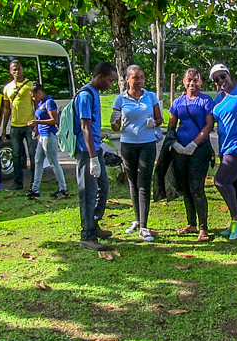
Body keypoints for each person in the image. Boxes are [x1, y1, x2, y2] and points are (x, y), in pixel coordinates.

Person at [111, 65, 162, 242]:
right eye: (135, 78)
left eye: (142, 77)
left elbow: (159, 119)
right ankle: (138, 220)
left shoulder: (150, 96)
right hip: (128, 144)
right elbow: (116, 127)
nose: (139, 81)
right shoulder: (120, 99)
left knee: (144, 183)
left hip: (147, 144)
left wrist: (154, 123)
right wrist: (114, 122)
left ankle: (144, 227)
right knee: (132, 183)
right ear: (127, 79)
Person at [169, 68, 215, 242]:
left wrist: (195, 143)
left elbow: (209, 125)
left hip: (199, 149)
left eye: (195, 80)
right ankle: (191, 223)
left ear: (201, 82)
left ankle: (203, 227)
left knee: (197, 187)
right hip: (180, 150)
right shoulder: (178, 102)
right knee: (186, 188)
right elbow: (172, 126)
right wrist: (175, 143)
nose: (192, 84)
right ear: (183, 82)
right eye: (189, 80)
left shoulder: (206, 100)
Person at [76, 62, 117, 251]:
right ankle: (87, 236)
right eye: (110, 80)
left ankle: (94, 223)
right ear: (100, 77)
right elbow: (84, 127)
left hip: (95, 148)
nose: (111, 84)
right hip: (86, 151)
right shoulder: (85, 95)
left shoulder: (95, 93)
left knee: (103, 187)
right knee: (89, 193)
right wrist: (93, 157)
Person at [210, 63, 237, 240]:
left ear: (229, 75)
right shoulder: (218, 99)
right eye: (216, 79)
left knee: (221, 181)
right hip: (225, 147)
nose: (220, 81)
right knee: (235, 185)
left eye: (223, 76)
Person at [26, 84, 69, 199]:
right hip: (42, 136)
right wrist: (36, 129)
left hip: (49, 135)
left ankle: (63, 189)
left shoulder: (49, 102)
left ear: (39, 93)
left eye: (33, 96)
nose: (33, 99)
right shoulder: (40, 103)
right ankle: (35, 188)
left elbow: (54, 120)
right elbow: (39, 117)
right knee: (38, 161)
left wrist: (37, 122)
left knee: (53, 162)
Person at [0, 60, 36, 190]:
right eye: (14, 69)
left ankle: (34, 182)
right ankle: (18, 183)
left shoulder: (30, 85)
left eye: (19, 68)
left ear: (22, 69)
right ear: (10, 71)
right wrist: (4, 128)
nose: (17, 71)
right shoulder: (7, 88)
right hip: (15, 126)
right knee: (16, 155)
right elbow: (6, 109)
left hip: (29, 125)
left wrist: (36, 123)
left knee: (32, 154)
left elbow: (36, 104)